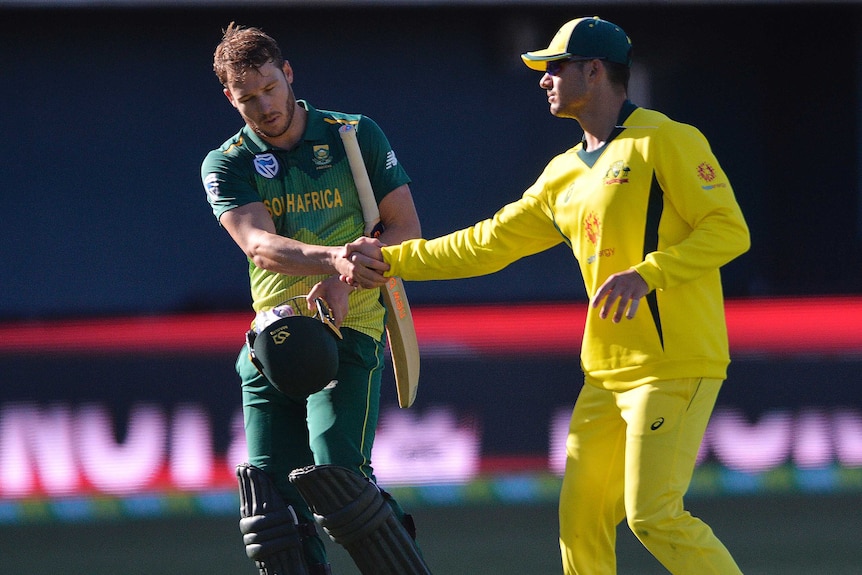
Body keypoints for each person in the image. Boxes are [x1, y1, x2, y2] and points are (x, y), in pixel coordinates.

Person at [345, 16, 750, 575]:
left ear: (594, 70)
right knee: (580, 528)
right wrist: (392, 259)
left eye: (555, 68)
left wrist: (648, 273)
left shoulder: (667, 139)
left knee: (653, 514)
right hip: (605, 371)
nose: (544, 79)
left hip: (673, 363)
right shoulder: (562, 173)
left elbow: (729, 229)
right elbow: (487, 244)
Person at [200, 23, 426, 574]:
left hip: (351, 332)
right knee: (270, 511)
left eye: (270, 88)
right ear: (230, 98)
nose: (264, 106)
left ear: (289, 76)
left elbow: (405, 232)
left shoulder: (354, 134)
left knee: (340, 484)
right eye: (247, 98)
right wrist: (332, 260)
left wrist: (347, 279)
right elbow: (258, 244)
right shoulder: (225, 162)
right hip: (272, 340)